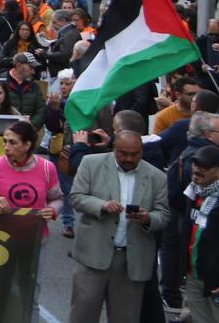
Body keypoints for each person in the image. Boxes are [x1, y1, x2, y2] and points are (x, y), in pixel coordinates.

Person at [68, 130, 170, 323]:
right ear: (114, 148)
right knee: (82, 315)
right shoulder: (91, 163)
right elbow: (76, 197)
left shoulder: (157, 176)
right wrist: (102, 205)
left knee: (125, 318)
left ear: (141, 151)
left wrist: (148, 218)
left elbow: (164, 215)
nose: (129, 158)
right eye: (123, 153)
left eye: (135, 154)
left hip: (131, 261)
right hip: (93, 256)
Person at [0, 120, 64, 224]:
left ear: (27, 145)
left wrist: (52, 209)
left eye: (12, 142)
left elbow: (58, 199)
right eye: (5, 141)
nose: (6, 147)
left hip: (35, 232)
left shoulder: (47, 167)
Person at [178, 144, 219, 322]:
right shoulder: (194, 192)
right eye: (195, 164)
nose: (197, 170)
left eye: (204, 166)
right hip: (193, 276)